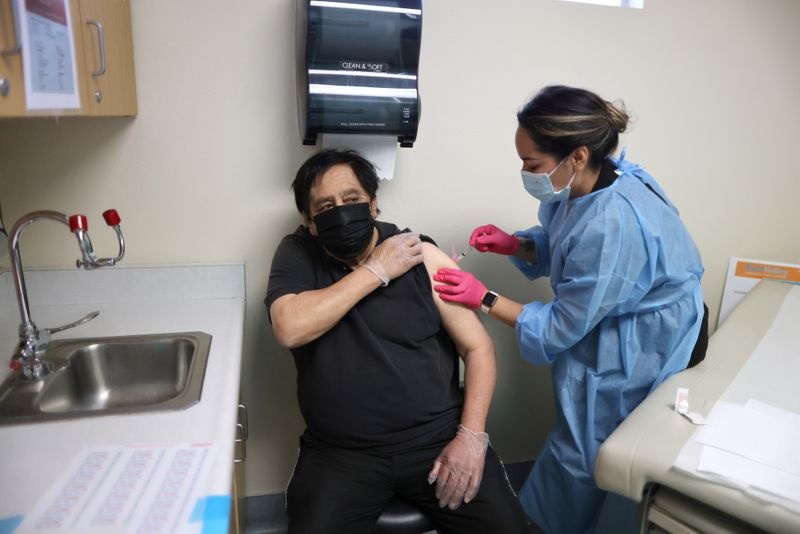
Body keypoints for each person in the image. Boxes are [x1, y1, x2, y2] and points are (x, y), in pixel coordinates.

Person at [432, 85, 707, 533]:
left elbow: (559, 326)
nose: (524, 171)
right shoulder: (586, 185)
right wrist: (517, 244)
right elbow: (565, 248)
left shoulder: (612, 225)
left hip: (645, 340)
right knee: (579, 436)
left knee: (594, 449)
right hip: (614, 313)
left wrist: (482, 297)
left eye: (532, 164)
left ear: (577, 155)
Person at [265, 149, 531, 534]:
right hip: (341, 454)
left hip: (438, 440)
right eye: (325, 206)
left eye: (352, 199)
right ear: (310, 223)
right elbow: (289, 328)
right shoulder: (297, 255)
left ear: (373, 204)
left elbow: (478, 348)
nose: (341, 211)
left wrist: (471, 437)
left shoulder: (420, 254)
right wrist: (376, 271)